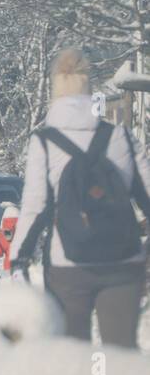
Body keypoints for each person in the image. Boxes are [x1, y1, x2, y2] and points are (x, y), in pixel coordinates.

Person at [10, 48, 150, 347]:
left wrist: (17, 260)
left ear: (54, 90)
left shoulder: (44, 142)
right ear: (89, 89)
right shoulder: (122, 137)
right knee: (120, 355)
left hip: (66, 267)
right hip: (124, 263)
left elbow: (36, 207)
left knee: (72, 358)